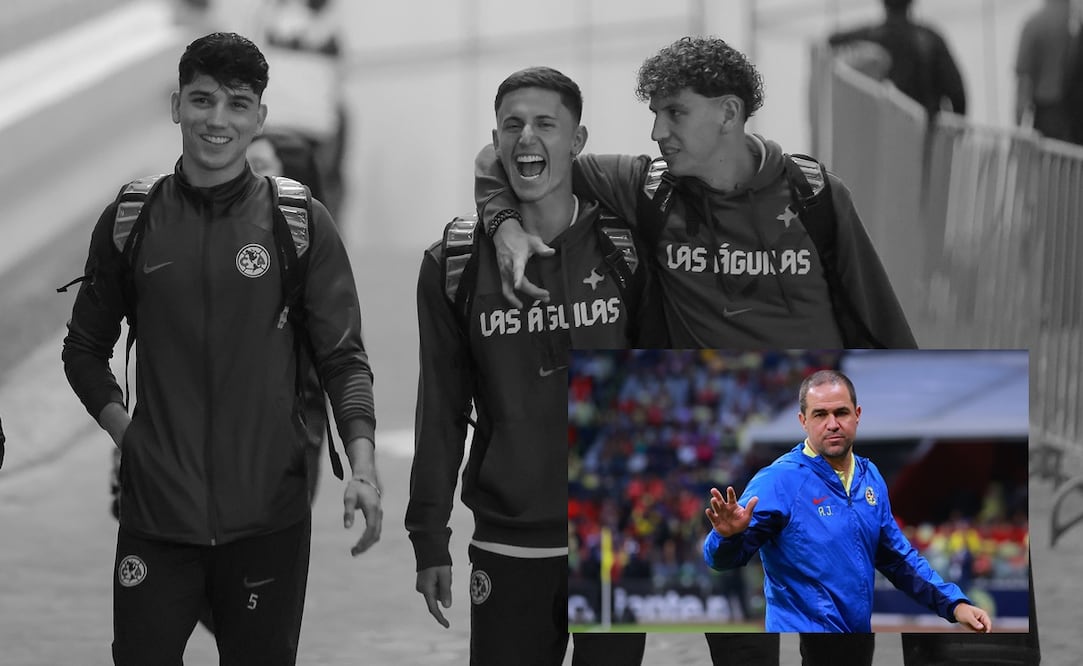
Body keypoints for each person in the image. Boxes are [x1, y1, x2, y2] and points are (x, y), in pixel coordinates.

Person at [474, 34, 919, 666]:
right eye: (654, 113)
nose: (656, 131)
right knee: (744, 655)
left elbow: (882, 326)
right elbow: (509, 159)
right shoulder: (648, 189)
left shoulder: (815, 196)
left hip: (822, 466)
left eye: (674, 112)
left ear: (728, 114)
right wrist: (503, 225)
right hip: (720, 469)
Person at [61, 32, 381, 665]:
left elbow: (343, 359)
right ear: (176, 105)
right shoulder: (132, 219)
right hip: (156, 520)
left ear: (259, 117)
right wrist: (131, 438)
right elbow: (83, 351)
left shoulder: (300, 223)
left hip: (268, 518)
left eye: (238, 104)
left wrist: (363, 467)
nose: (218, 120)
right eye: (202, 100)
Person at [407, 66, 657, 666]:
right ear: (494, 144)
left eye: (546, 124)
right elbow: (439, 410)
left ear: (578, 140)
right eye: (512, 126)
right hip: (507, 539)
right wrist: (428, 538)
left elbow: (660, 391)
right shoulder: (453, 264)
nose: (527, 139)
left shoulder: (625, 250)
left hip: (612, 541)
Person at [703, 370, 991, 662]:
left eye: (841, 412)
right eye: (820, 415)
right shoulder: (779, 481)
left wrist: (954, 604)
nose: (832, 424)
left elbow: (899, 559)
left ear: (857, 414)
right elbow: (722, 561)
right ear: (803, 421)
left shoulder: (870, 477)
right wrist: (726, 537)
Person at [828, 0, 966, 119]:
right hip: (925, 136)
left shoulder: (871, 37)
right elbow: (957, 95)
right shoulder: (929, 40)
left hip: (880, 138)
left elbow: (832, 41)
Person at [1013, 0, 1075, 141]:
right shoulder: (1073, 26)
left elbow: (1024, 82)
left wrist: (1017, 128)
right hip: (1070, 117)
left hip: (1047, 114)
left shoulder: (1034, 25)